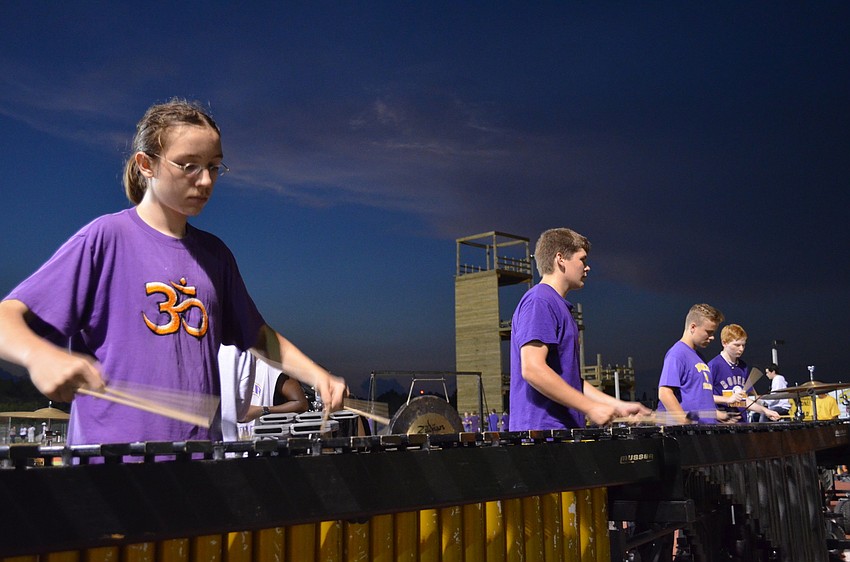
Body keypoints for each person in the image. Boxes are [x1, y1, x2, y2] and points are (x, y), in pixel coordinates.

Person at [0, 99, 346, 447]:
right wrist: (39, 356)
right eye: (189, 166)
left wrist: (318, 376)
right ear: (146, 165)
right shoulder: (106, 239)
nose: (206, 180)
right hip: (111, 467)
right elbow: (6, 317)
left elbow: (258, 337)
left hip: (196, 463)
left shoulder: (216, 256)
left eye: (214, 166)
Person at [509, 228, 649, 430]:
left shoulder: (557, 305)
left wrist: (618, 405)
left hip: (563, 430)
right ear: (560, 259)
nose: (587, 267)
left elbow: (571, 381)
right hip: (543, 433)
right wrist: (590, 408)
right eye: (582, 259)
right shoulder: (540, 300)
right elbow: (532, 369)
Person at [658, 304, 736, 424]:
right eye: (709, 332)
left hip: (704, 431)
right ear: (693, 327)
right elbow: (664, 393)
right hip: (686, 435)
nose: (712, 337)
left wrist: (716, 415)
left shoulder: (700, 357)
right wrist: (684, 423)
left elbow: (699, 397)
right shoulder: (677, 354)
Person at [219, 345, 310, 441]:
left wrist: (262, 410)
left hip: (269, 445)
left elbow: (301, 404)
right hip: (233, 443)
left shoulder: (273, 367)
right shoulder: (225, 366)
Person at [708, 324, 779, 423]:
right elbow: (703, 396)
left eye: (743, 345)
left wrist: (765, 411)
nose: (741, 349)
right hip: (722, 424)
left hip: (742, 422)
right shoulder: (713, 366)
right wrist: (727, 399)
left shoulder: (743, 367)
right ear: (724, 343)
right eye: (737, 345)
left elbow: (743, 400)